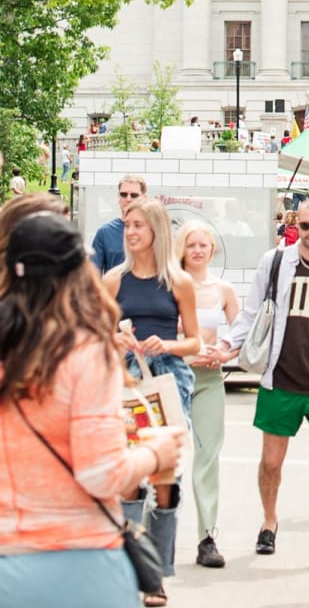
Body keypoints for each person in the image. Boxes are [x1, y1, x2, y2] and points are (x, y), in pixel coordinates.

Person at [0, 212, 187, 608]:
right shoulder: (84, 351)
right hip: (79, 558)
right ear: (77, 272)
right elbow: (100, 473)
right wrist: (156, 453)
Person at [221, 194, 309, 573]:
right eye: (306, 226)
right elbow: (251, 313)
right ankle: (269, 521)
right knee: (271, 461)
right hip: (279, 377)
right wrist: (226, 346)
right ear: (296, 224)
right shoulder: (277, 261)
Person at [104, 200, 200, 587]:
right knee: (127, 475)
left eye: (139, 225)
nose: (130, 232)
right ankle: (129, 569)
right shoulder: (113, 280)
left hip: (168, 382)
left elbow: (194, 341)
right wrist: (118, 339)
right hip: (125, 380)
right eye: (128, 225)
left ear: (157, 231)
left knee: (164, 477)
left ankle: (157, 573)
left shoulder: (179, 281)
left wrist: (167, 344)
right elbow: (95, 333)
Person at [175, 220, 240, 568]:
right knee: (164, 456)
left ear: (212, 249)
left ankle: (206, 537)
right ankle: (157, 535)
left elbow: (241, 330)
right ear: (181, 249)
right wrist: (187, 352)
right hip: (174, 376)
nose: (197, 250)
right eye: (191, 245)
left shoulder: (223, 288)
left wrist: (225, 353)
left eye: (203, 245)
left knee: (207, 457)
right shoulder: (170, 285)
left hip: (210, 380)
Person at [90, 175, 147, 273]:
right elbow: (93, 275)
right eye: (124, 194)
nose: (128, 199)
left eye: (134, 195)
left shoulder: (153, 231)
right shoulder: (105, 233)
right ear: (118, 197)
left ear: (144, 197)